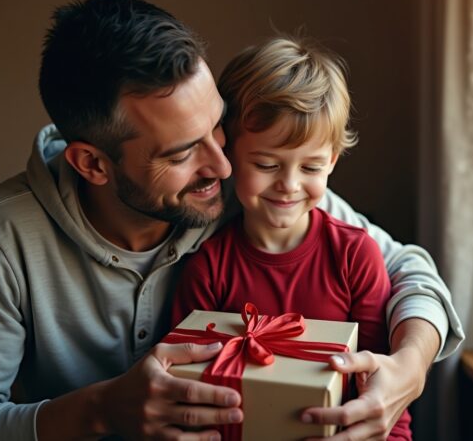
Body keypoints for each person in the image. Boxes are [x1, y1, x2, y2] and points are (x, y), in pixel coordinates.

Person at [0, 0, 463, 441]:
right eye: (180, 153)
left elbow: (408, 270)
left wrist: (409, 369)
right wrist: (99, 410)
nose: (221, 164)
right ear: (92, 164)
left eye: (218, 128)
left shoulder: (249, 194)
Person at [171, 36, 413, 439]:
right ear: (227, 153)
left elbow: (383, 390)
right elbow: (192, 390)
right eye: (266, 164)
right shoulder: (207, 267)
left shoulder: (356, 256)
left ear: (332, 161)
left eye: (312, 167)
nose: (288, 184)